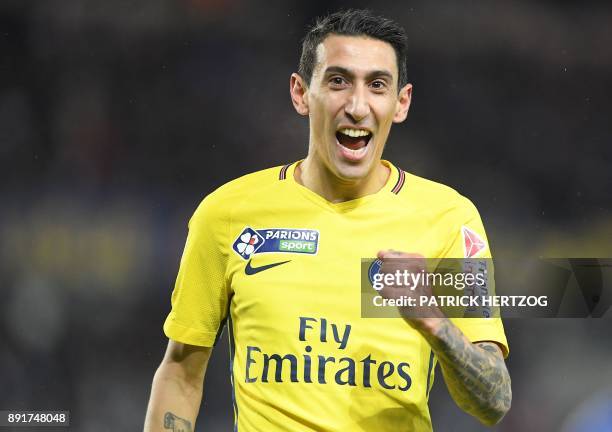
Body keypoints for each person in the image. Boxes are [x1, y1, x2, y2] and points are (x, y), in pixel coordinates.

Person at [144, 9, 511, 432]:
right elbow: (181, 374)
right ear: (301, 94)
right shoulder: (227, 213)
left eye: (377, 85)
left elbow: (494, 401)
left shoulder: (448, 219)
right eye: (338, 81)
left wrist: (432, 318)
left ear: (401, 102)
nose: (357, 106)